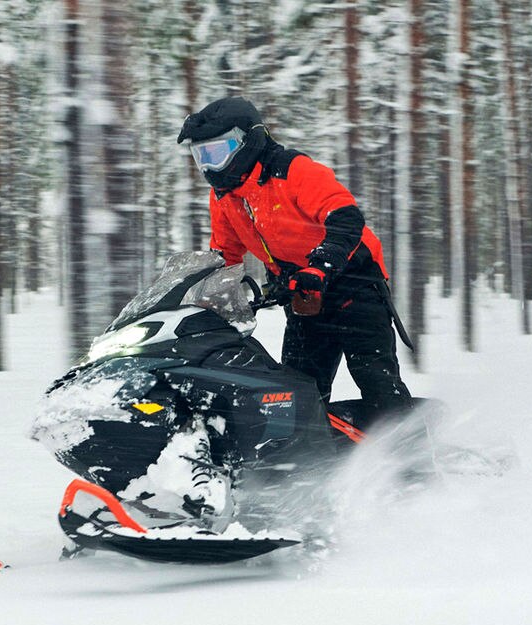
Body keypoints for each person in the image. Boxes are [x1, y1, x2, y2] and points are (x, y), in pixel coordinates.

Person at [177, 96, 412, 413]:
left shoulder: (293, 171)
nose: (209, 167)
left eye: (217, 153)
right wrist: (204, 296)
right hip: (303, 295)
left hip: (354, 284)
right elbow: (225, 254)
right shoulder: (225, 196)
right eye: (201, 156)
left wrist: (319, 267)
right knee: (297, 393)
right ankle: (309, 445)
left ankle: (407, 439)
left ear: (247, 141)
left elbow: (345, 218)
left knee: (376, 380)